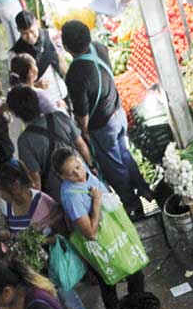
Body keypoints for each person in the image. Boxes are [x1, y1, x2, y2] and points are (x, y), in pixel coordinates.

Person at [0, 161, 95, 309]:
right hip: (29, 269)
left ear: (14, 185)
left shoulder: (43, 202)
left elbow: (63, 232)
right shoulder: (6, 205)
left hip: (52, 265)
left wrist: (41, 240)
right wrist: (5, 232)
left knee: (68, 298)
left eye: (0, 189)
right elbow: (7, 226)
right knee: (47, 304)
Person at [61, 20, 153, 218]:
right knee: (124, 153)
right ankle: (144, 188)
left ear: (66, 47)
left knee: (114, 166)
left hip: (103, 126)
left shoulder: (75, 74)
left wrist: (84, 131)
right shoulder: (99, 48)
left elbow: (82, 114)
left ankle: (132, 204)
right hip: (118, 113)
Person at [54, 147, 145, 309]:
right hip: (98, 246)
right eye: (71, 174)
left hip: (113, 235)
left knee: (134, 273)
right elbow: (90, 233)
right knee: (109, 281)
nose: (79, 175)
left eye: (78, 167)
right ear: (62, 176)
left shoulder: (85, 172)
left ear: (79, 160)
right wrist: (96, 202)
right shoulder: (71, 198)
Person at [6, 84, 95, 202]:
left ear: (16, 114)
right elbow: (81, 144)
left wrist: (37, 203)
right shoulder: (60, 117)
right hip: (82, 175)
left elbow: (35, 179)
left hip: (62, 193)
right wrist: (91, 166)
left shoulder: (24, 141)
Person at [10, 11, 68, 108]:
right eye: (24, 33)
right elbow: (16, 88)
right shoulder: (15, 54)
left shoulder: (50, 35)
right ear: (18, 30)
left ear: (37, 23)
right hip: (44, 102)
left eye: (32, 31)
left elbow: (62, 61)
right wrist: (34, 86)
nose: (30, 37)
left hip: (63, 91)